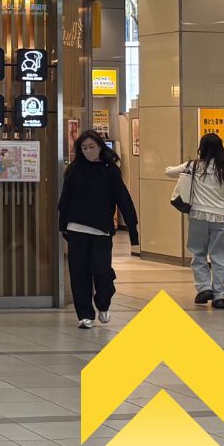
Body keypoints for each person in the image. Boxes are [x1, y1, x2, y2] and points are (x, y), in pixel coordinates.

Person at [56, 131, 140, 329]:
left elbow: (123, 199)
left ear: (100, 147)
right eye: (84, 148)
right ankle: (85, 314)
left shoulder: (110, 170)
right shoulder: (75, 170)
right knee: (79, 273)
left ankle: (103, 302)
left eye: (91, 147)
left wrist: (133, 232)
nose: (88, 152)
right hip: (76, 228)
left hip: (101, 230)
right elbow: (65, 200)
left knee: (102, 271)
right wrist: (63, 226)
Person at [167, 132, 224, 308]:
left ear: (202, 148)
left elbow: (168, 172)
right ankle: (220, 296)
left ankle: (204, 288)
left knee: (198, 252)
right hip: (221, 216)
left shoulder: (194, 166)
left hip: (198, 215)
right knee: (221, 256)